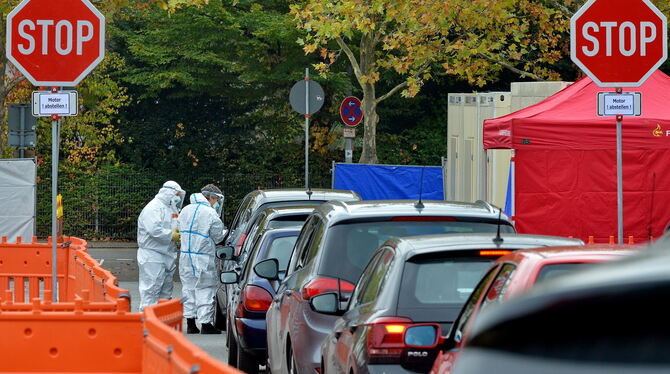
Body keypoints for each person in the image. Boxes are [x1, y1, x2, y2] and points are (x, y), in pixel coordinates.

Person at [178, 184, 226, 334]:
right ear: (210, 197)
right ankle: (205, 323)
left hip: (185, 255)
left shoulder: (185, 210)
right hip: (203, 256)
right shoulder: (211, 214)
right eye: (216, 199)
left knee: (188, 288)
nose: (216, 202)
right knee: (205, 288)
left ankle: (191, 323)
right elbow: (218, 237)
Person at [137, 181, 185, 312]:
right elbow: (154, 230)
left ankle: (161, 320)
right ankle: (147, 321)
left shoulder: (171, 208)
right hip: (153, 254)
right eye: (176, 194)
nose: (178, 198)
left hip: (167, 253)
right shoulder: (153, 208)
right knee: (151, 289)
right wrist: (171, 235)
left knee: (165, 290)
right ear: (168, 193)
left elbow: (175, 225)